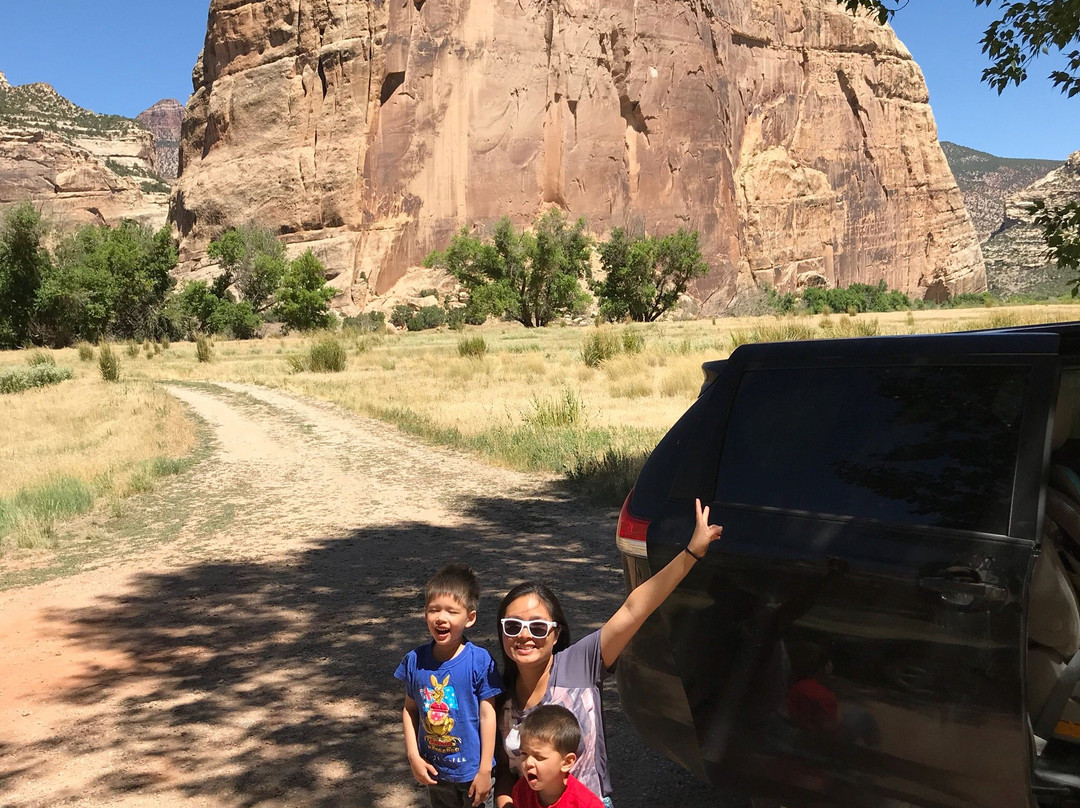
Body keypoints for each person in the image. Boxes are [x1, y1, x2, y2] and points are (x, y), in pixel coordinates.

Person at [494, 498, 723, 807]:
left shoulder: (580, 664)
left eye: (537, 627)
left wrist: (692, 552)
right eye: (513, 626)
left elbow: (633, 608)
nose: (524, 635)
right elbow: (505, 772)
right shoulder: (498, 695)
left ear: (556, 633)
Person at [395, 563, 504, 808]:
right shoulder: (415, 661)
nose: (441, 618)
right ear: (425, 614)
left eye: (452, 612)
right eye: (434, 610)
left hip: (474, 773)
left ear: (470, 617)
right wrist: (413, 755)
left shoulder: (479, 661)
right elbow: (410, 709)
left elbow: (488, 715)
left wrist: (485, 769)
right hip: (435, 771)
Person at [511, 704, 604, 808]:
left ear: (567, 762)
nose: (528, 762)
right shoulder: (521, 790)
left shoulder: (586, 804)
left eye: (539, 757)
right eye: (524, 754)